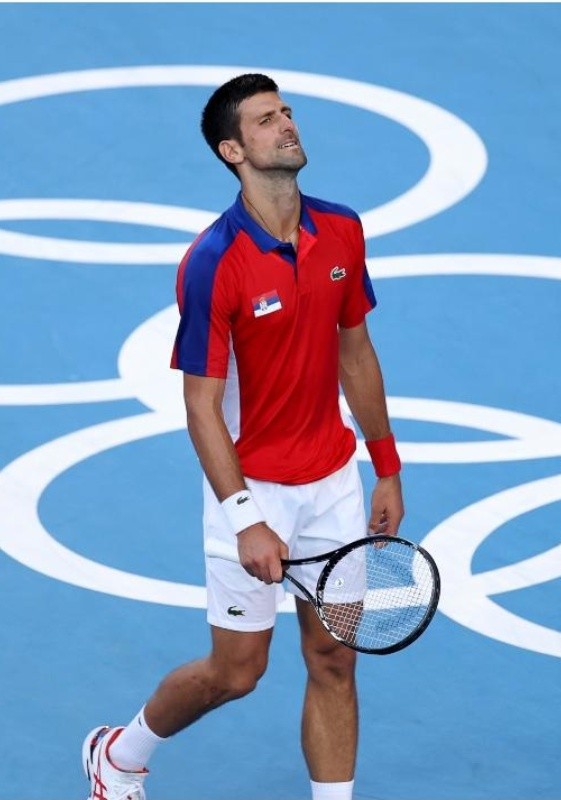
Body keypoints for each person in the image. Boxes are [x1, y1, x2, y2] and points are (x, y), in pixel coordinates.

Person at [82, 73, 404, 800]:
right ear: (233, 150)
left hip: (332, 486)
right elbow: (201, 405)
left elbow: (356, 351)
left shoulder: (343, 230)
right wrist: (245, 519)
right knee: (237, 672)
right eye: (265, 121)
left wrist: (385, 465)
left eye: (286, 112)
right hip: (252, 488)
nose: (286, 125)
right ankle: (119, 754)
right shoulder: (213, 262)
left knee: (334, 660)